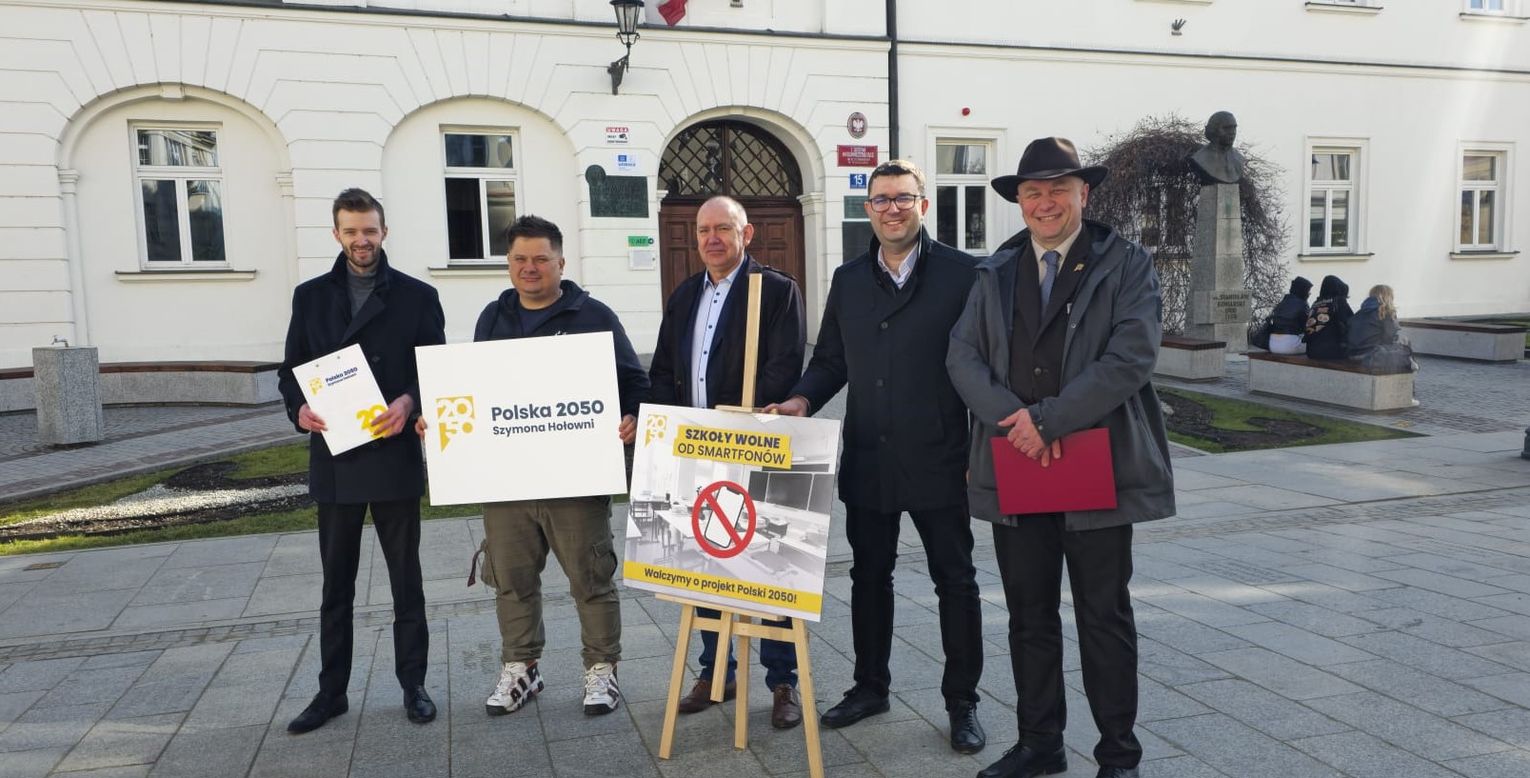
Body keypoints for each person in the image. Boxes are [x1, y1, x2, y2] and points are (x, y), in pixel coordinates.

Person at [947, 137, 1175, 778]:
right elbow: (962, 356)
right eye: (1032, 192)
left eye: (1058, 189)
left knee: (1104, 616)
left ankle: (1118, 755)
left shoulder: (1126, 263)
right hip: (1018, 461)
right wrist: (1014, 422)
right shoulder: (996, 270)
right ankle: (1040, 744)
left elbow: (1131, 357)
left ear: (1084, 193)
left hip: (1096, 460)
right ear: (1019, 201)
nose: (1044, 203)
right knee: (1029, 616)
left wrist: (1046, 420)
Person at [763, 160, 985, 753]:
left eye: (903, 198)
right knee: (868, 578)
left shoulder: (964, 275)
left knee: (956, 581)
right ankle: (870, 687)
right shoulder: (849, 279)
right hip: (868, 455)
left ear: (923, 205)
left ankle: (962, 702)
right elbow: (832, 359)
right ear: (868, 209)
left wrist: (980, 446)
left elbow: (984, 366)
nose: (892, 208)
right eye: (881, 199)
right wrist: (801, 400)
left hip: (941, 454)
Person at [416, 215, 649, 718]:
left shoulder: (594, 316)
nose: (530, 268)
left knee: (591, 577)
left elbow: (634, 381)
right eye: (520, 259)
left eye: (541, 259)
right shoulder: (492, 318)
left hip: (576, 477)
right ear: (508, 264)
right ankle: (522, 666)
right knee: (511, 579)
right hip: (507, 481)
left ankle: (601, 668)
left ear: (561, 262)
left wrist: (632, 415)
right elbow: (474, 389)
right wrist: (439, 419)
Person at [277, 188, 445, 734]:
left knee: (406, 583)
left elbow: (435, 369)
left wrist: (409, 400)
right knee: (336, 588)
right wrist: (299, 409)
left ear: (384, 232)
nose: (361, 240)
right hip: (336, 460)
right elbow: (290, 371)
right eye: (351, 231)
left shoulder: (418, 296)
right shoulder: (309, 297)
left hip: (393, 455)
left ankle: (414, 685)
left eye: (369, 230)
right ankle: (331, 693)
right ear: (336, 234)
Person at [647, 195, 807, 729]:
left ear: (746, 234)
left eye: (723, 229)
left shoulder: (776, 290)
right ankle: (716, 671)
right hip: (695, 454)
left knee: (769, 567)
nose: (711, 239)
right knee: (706, 566)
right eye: (703, 230)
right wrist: (665, 430)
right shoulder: (685, 294)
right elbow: (664, 367)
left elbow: (784, 366)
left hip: (752, 448)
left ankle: (782, 680)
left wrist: (736, 426)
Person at [1347, 283, 1415, 374]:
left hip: (1352, 355)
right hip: (1371, 356)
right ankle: (1409, 362)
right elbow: (1389, 338)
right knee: (1405, 345)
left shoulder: (1360, 312)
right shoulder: (1385, 312)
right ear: (1388, 297)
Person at [1186, 111, 1246, 185]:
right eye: (1227, 128)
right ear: (1213, 130)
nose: (1232, 132)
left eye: (1234, 128)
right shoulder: (1199, 159)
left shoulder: (1239, 159)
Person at [1304, 275, 1353, 360]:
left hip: (1311, 351)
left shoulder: (1315, 303)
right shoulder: (1339, 301)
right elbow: (1352, 322)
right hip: (1332, 351)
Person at [1267, 276, 1314, 355]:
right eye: (1308, 292)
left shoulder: (1283, 302)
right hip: (1290, 346)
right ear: (1303, 291)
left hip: (1272, 345)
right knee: (1315, 345)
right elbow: (1306, 327)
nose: (1309, 294)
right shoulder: (1302, 304)